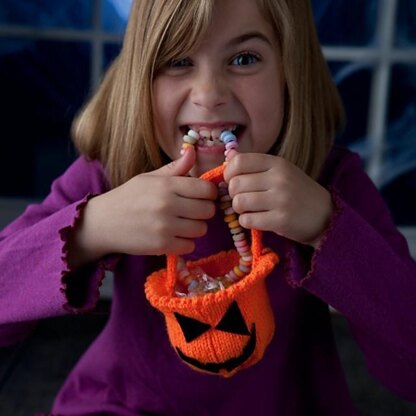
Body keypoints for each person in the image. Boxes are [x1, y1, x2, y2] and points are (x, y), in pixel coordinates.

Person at [1, 0, 415, 414]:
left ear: (292, 72)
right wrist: (91, 229)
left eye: (245, 58)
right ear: (140, 78)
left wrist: (327, 227)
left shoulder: (331, 184)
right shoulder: (112, 173)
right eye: (178, 60)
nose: (209, 95)